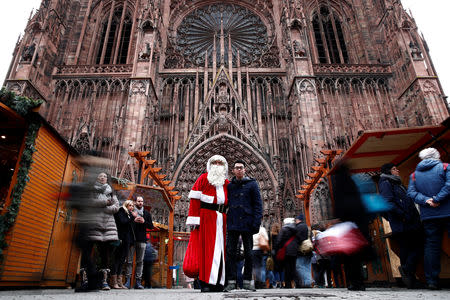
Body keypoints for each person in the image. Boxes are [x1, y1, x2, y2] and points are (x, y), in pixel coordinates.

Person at [185, 155, 230, 292]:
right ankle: (205, 283)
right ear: (209, 165)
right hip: (206, 217)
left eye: (220, 163)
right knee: (206, 250)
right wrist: (195, 220)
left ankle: (218, 283)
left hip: (221, 218)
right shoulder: (203, 178)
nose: (217, 165)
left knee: (221, 251)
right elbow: (194, 200)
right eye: (214, 162)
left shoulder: (226, 182)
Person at [407, 148, 450, 290]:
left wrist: (427, 200)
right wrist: (438, 199)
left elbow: (411, 193)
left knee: (432, 246)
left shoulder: (414, 175)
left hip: (429, 215)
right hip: (448, 211)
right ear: (437, 156)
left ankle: (432, 281)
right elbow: (449, 185)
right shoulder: (445, 167)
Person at [378, 163, 422, 288]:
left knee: (408, 248)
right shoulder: (386, 183)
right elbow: (387, 202)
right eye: (394, 169)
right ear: (388, 171)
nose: (397, 170)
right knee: (412, 247)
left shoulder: (396, 182)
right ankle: (408, 272)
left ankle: (409, 277)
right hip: (402, 222)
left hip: (407, 220)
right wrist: (401, 215)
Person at [223, 159, 262, 292]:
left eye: (241, 167)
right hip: (233, 223)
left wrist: (256, 223)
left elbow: (258, 205)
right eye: (236, 168)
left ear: (245, 170)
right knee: (230, 253)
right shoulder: (230, 186)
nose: (239, 170)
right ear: (233, 171)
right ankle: (231, 282)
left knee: (249, 253)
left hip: (247, 222)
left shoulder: (252, 184)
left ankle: (247, 281)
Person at [332, 161, 371, 291]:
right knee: (356, 254)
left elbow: (338, 205)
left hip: (347, 224)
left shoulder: (338, 182)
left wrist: (338, 219)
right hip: (357, 222)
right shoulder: (351, 181)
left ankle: (353, 282)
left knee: (349, 255)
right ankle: (359, 281)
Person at [79, 172, 120, 291]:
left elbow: (116, 207)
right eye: (100, 176)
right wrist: (105, 203)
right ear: (97, 178)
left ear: (107, 179)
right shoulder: (92, 190)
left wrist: (104, 208)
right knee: (88, 251)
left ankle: (104, 281)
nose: (103, 178)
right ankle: (85, 280)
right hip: (93, 223)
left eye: (105, 176)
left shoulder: (111, 191)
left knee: (104, 252)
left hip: (107, 225)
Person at [124, 196, 154, 289]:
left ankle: (138, 282)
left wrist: (144, 221)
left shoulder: (146, 213)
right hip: (132, 239)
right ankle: (127, 281)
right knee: (129, 260)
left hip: (142, 240)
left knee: (140, 261)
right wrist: (133, 219)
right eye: (139, 201)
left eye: (142, 201)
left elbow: (151, 226)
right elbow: (125, 223)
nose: (140, 203)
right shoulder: (131, 212)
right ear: (135, 202)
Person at [274, 217, 307, 288]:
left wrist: (278, 248)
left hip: (286, 250)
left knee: (287, 268)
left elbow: (279, 240)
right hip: (294, 250)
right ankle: (298, 283)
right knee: (293, 267)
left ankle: (288, 284)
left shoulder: (284, 229)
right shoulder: (296, 229)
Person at [111, 200, 136, 289]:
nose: (132, 207)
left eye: (133, 206)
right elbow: (123, 222)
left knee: (122, 260)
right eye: (130, 205)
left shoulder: (129, 214)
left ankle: (119, 281)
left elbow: (130, 228)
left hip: (127, 240)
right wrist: (132, 218)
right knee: (117, 259)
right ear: (126, 205)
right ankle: (114, 281)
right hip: (120, 238)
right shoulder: (121, 211)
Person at [294, 214, 313, 288]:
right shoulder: (308, 227)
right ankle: (308, 282)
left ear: (298, 220)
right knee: (307, 267)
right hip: (308, 250)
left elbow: (298, 238)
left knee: (300, 267)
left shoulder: (299, 227)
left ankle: (306, 283)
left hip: (302, 250)